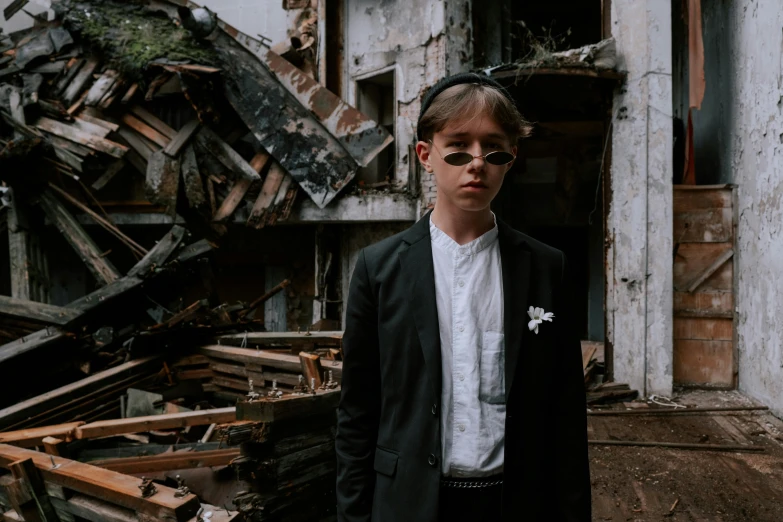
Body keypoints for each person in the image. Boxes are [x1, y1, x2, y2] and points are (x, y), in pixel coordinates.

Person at [336, 72, 591, 522]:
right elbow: (358, 412)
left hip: (517, 501)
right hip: (409, 503)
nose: (476, 162)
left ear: (510, 159)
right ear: (425, 156)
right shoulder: (379, 269)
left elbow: (565, 415)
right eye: (458, 146)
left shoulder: (547, 267)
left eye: (493, 148)